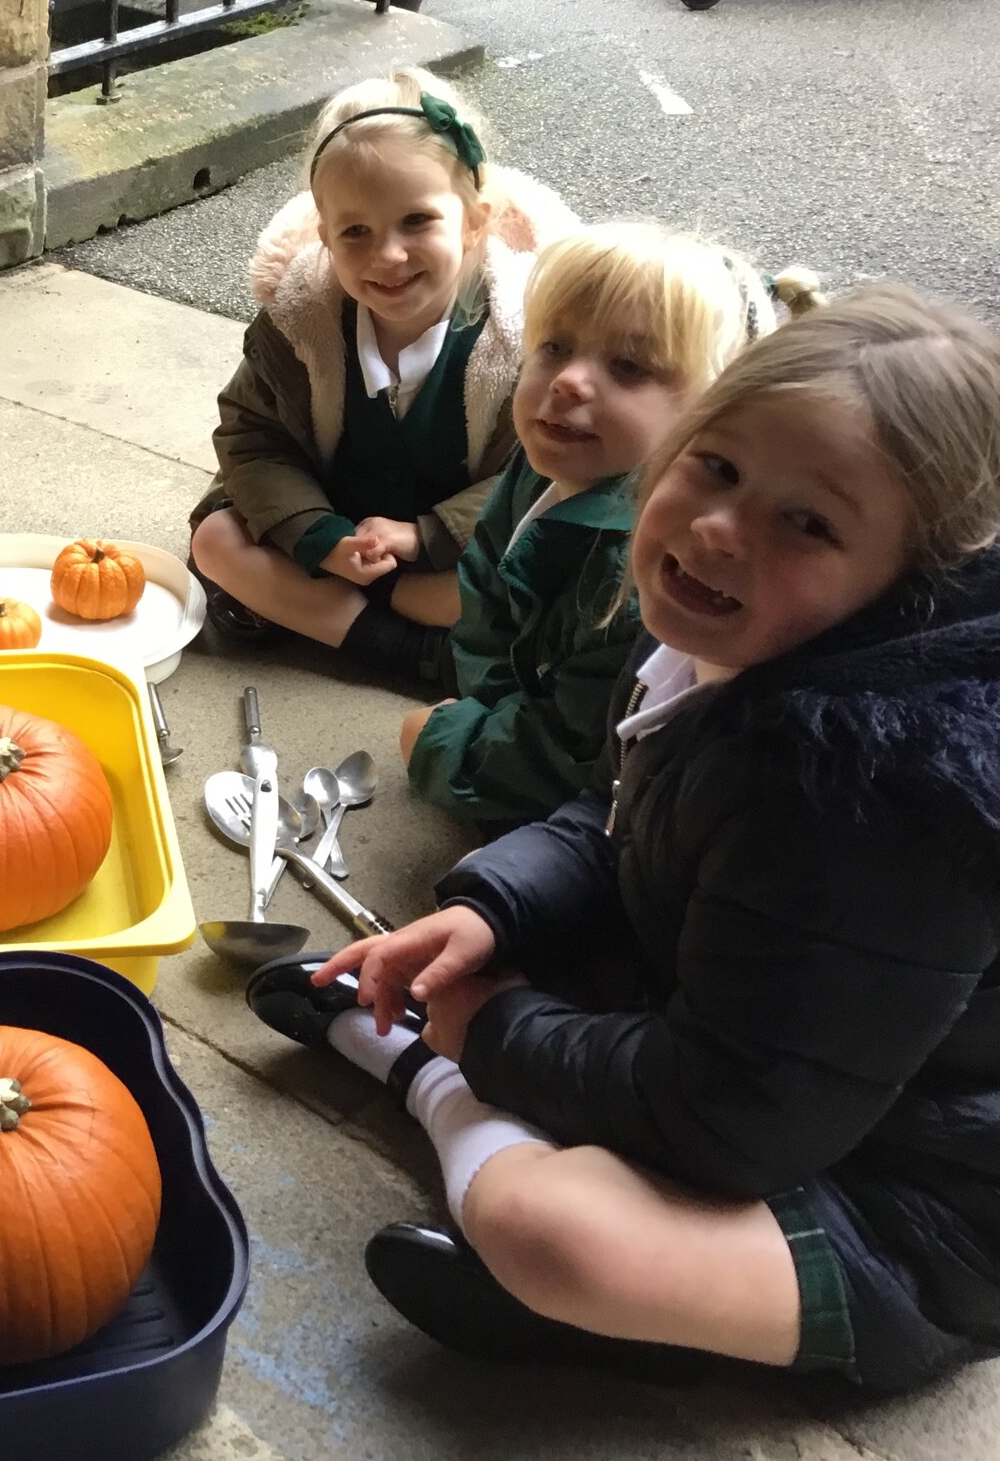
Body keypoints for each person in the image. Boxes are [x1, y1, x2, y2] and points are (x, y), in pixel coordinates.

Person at [250, 286, 1000, 1390]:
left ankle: (431, 1080)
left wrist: (489, 1035)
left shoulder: (868, 796)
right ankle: (453, 1051)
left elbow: (734, 1119)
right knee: (496, 950)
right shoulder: (722, 648)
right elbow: (611, 815)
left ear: (910, 582)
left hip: (917, 1194)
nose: (714, 529)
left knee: (555, 1234)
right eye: (716, 468)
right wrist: (485, 908)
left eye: (806, 522)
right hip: (763, 1039)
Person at [400, 222, 801, 826]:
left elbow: (574, 751)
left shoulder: (641, 571)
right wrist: (479, 705)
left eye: (628, 367)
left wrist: (448, 747)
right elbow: (486, 593)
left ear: (710, 412)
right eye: (555, 347)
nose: (567, 381)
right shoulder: (551, 462)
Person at [187, 66, 576, 687]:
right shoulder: (300, 323)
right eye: (357, 231)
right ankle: (395, 644)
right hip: (331, 518)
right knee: (216, 539)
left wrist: (424, 537)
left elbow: (536, 474)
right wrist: (319, 537)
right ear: (326, 238)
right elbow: (253, 440)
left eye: (416, 221)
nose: (387, 256)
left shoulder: (523, 340)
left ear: (475, 220)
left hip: (445, 544)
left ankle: (336, 615)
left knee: (535, 572)